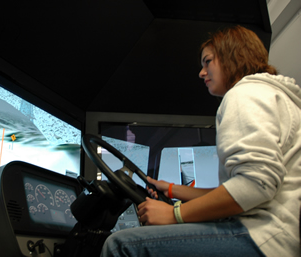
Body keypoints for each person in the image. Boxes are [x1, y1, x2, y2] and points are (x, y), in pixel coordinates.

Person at [100, 25, 301, 256]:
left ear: (232, 55)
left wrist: (173, 215)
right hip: (277, 233)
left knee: (119, 245)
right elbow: (236, 191)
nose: (201, 72)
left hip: (264, 237)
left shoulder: (244, 94)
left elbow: (255, 186)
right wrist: (173, 189)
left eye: (208, 61)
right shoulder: (274, 95)